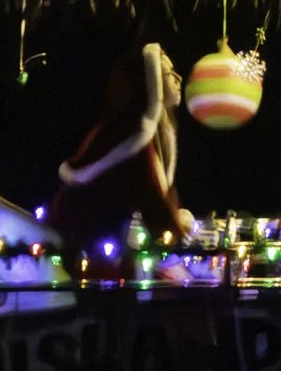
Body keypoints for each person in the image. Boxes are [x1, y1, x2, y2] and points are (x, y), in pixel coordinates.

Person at [47, 42, 192, 266]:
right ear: (150, 79)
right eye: (168, 72)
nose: (178, 78)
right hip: (89, 248)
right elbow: (150, 197)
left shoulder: (159, 135)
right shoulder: (127, 133)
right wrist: (180, 238)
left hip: (116, 246)